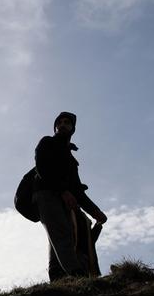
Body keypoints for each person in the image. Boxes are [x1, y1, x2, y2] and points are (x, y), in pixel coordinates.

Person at [33, 112, 107, 281]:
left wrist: (95, 211)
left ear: (73, 128)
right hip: (45, 194)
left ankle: (59, 276)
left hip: (63, 199)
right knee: (62, 232)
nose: (63, 124)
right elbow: (42, 168)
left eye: (67, 122)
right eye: (60, 122)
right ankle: (77, 275)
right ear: (55, 127)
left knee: (62, 235)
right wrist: (62, 191)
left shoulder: (71, 161)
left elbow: (77, 190)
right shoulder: (47, 142)